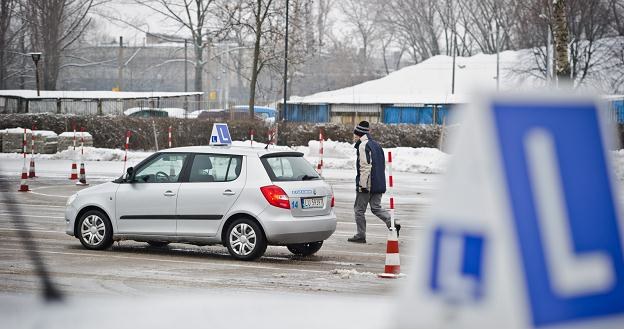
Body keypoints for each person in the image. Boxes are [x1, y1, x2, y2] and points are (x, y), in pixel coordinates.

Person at [348, 121, 400, 243]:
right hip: (378, 183)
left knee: (359, 210)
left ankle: (361, 235)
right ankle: (392, 222)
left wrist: (363, 185)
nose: (354, 136)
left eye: (355, 134)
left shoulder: (363, 146)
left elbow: (365, 167)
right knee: (376, 207)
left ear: (359, 134)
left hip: (367, 184)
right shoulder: (376, 145)